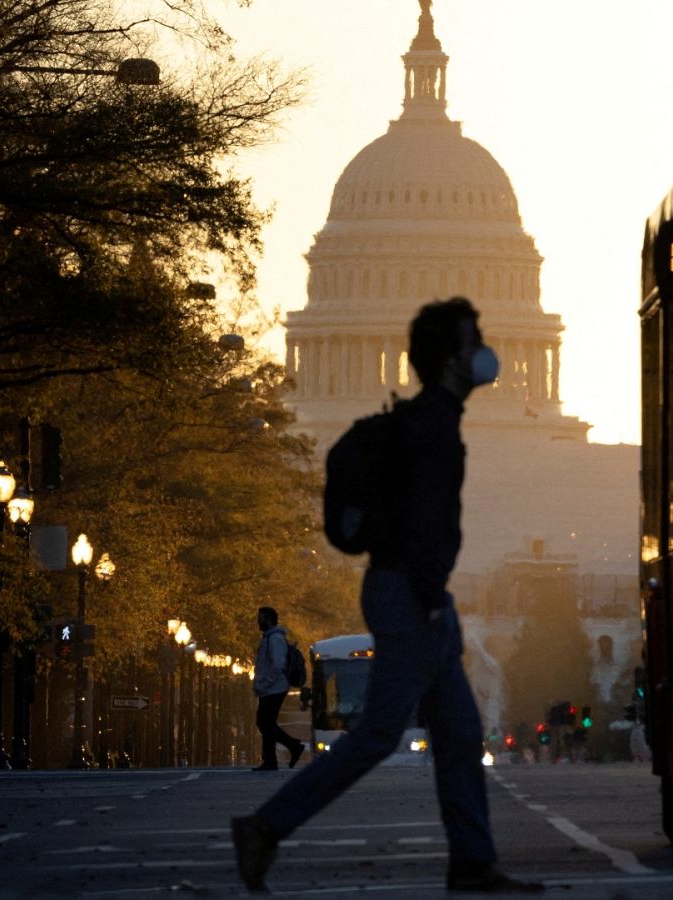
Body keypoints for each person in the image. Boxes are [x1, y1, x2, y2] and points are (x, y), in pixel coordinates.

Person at [232, 298, 544, 894]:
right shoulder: (432, 430)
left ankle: (473, 862)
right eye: (473, 339)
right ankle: (266, 827)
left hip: (414, 592)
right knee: (378, 733)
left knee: (457, 731)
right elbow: (427, 527)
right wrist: (430, 600)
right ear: (452, 358)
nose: (485, 349)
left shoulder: (425, 420)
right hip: (412, 594)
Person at [250, 607, 305, 771]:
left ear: (269, 619)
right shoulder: (270, 638)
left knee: (264, 722)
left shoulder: (275, 639)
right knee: (267, 723)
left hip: (275, 687)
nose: (258, 621)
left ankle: (288, 749)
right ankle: (273, 758)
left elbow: (277, 665)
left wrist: (264, 683)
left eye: (261, 618)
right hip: (271, 687)